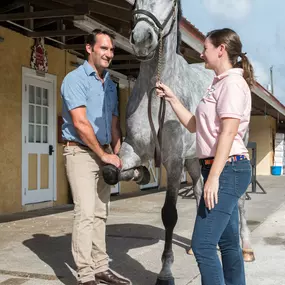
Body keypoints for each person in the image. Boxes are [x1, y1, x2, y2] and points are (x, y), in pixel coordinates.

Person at [156, 28, 254, 285]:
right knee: (229, 242)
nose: (201, 53)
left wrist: (213, 179)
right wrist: (173, 98)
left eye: (206, 48)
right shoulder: (218, 83)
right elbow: (193, 125)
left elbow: (228, 133)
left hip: (228, 169)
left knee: (202, 245)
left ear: (221, 49)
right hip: (222, 168)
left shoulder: (232, 84)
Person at [61, 29, 130, 285]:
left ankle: (101, 266)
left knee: (101, 213)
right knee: (86, 213)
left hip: (103, 154)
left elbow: (113, 125)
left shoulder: (110, 85)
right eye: (104, 48)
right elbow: (80, 123)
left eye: (111, 50)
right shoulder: (74, 79)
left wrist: (117, 154)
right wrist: (103, 155)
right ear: (89, 48)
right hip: (79, 152)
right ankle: (86, 275)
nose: (109, 54)